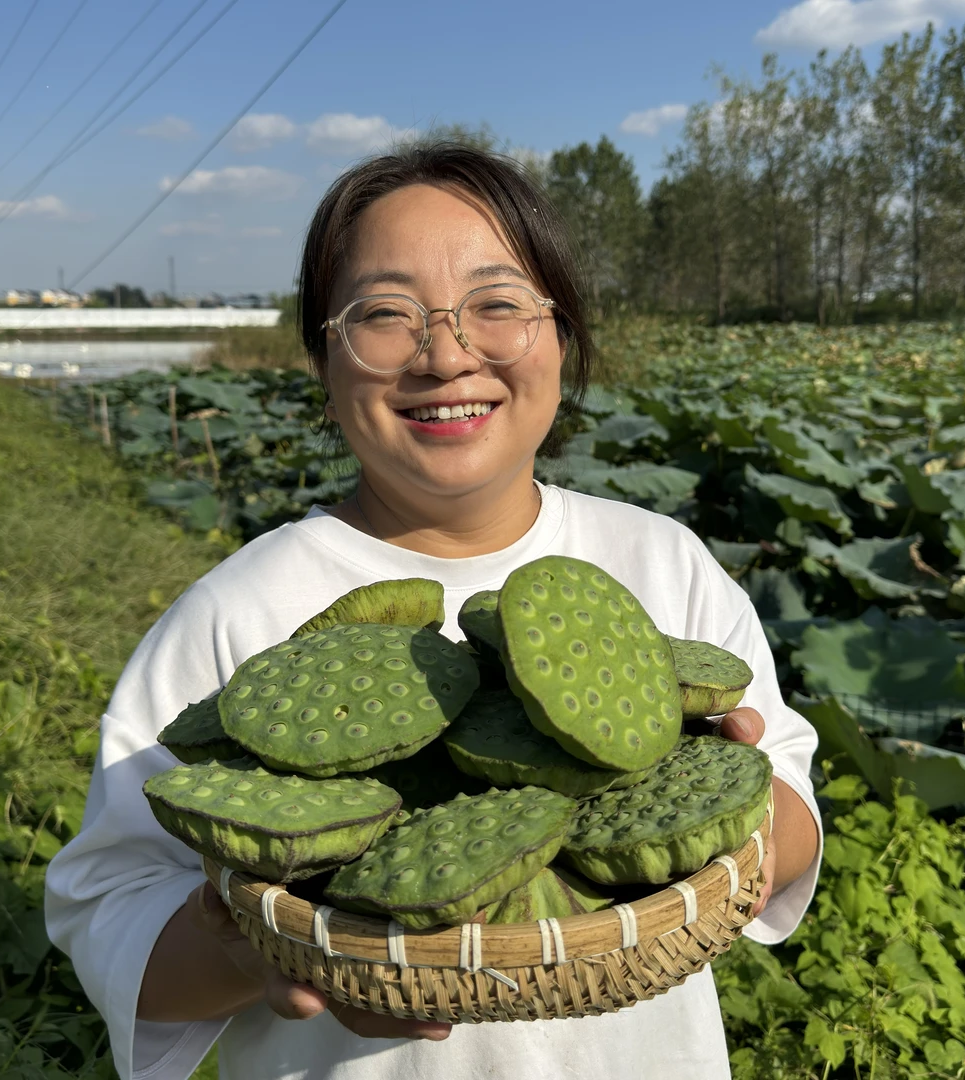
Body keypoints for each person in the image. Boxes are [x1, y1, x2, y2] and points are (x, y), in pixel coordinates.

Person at [45, 140, 822, 1080]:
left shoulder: (662, 564)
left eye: (499, 304)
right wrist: (241, 954)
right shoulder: (240, 610)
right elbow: (104, 901)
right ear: (322, 366)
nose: (447, 354)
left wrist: (720, 798)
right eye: (384, 315)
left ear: (561, 338)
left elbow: (787, 799)